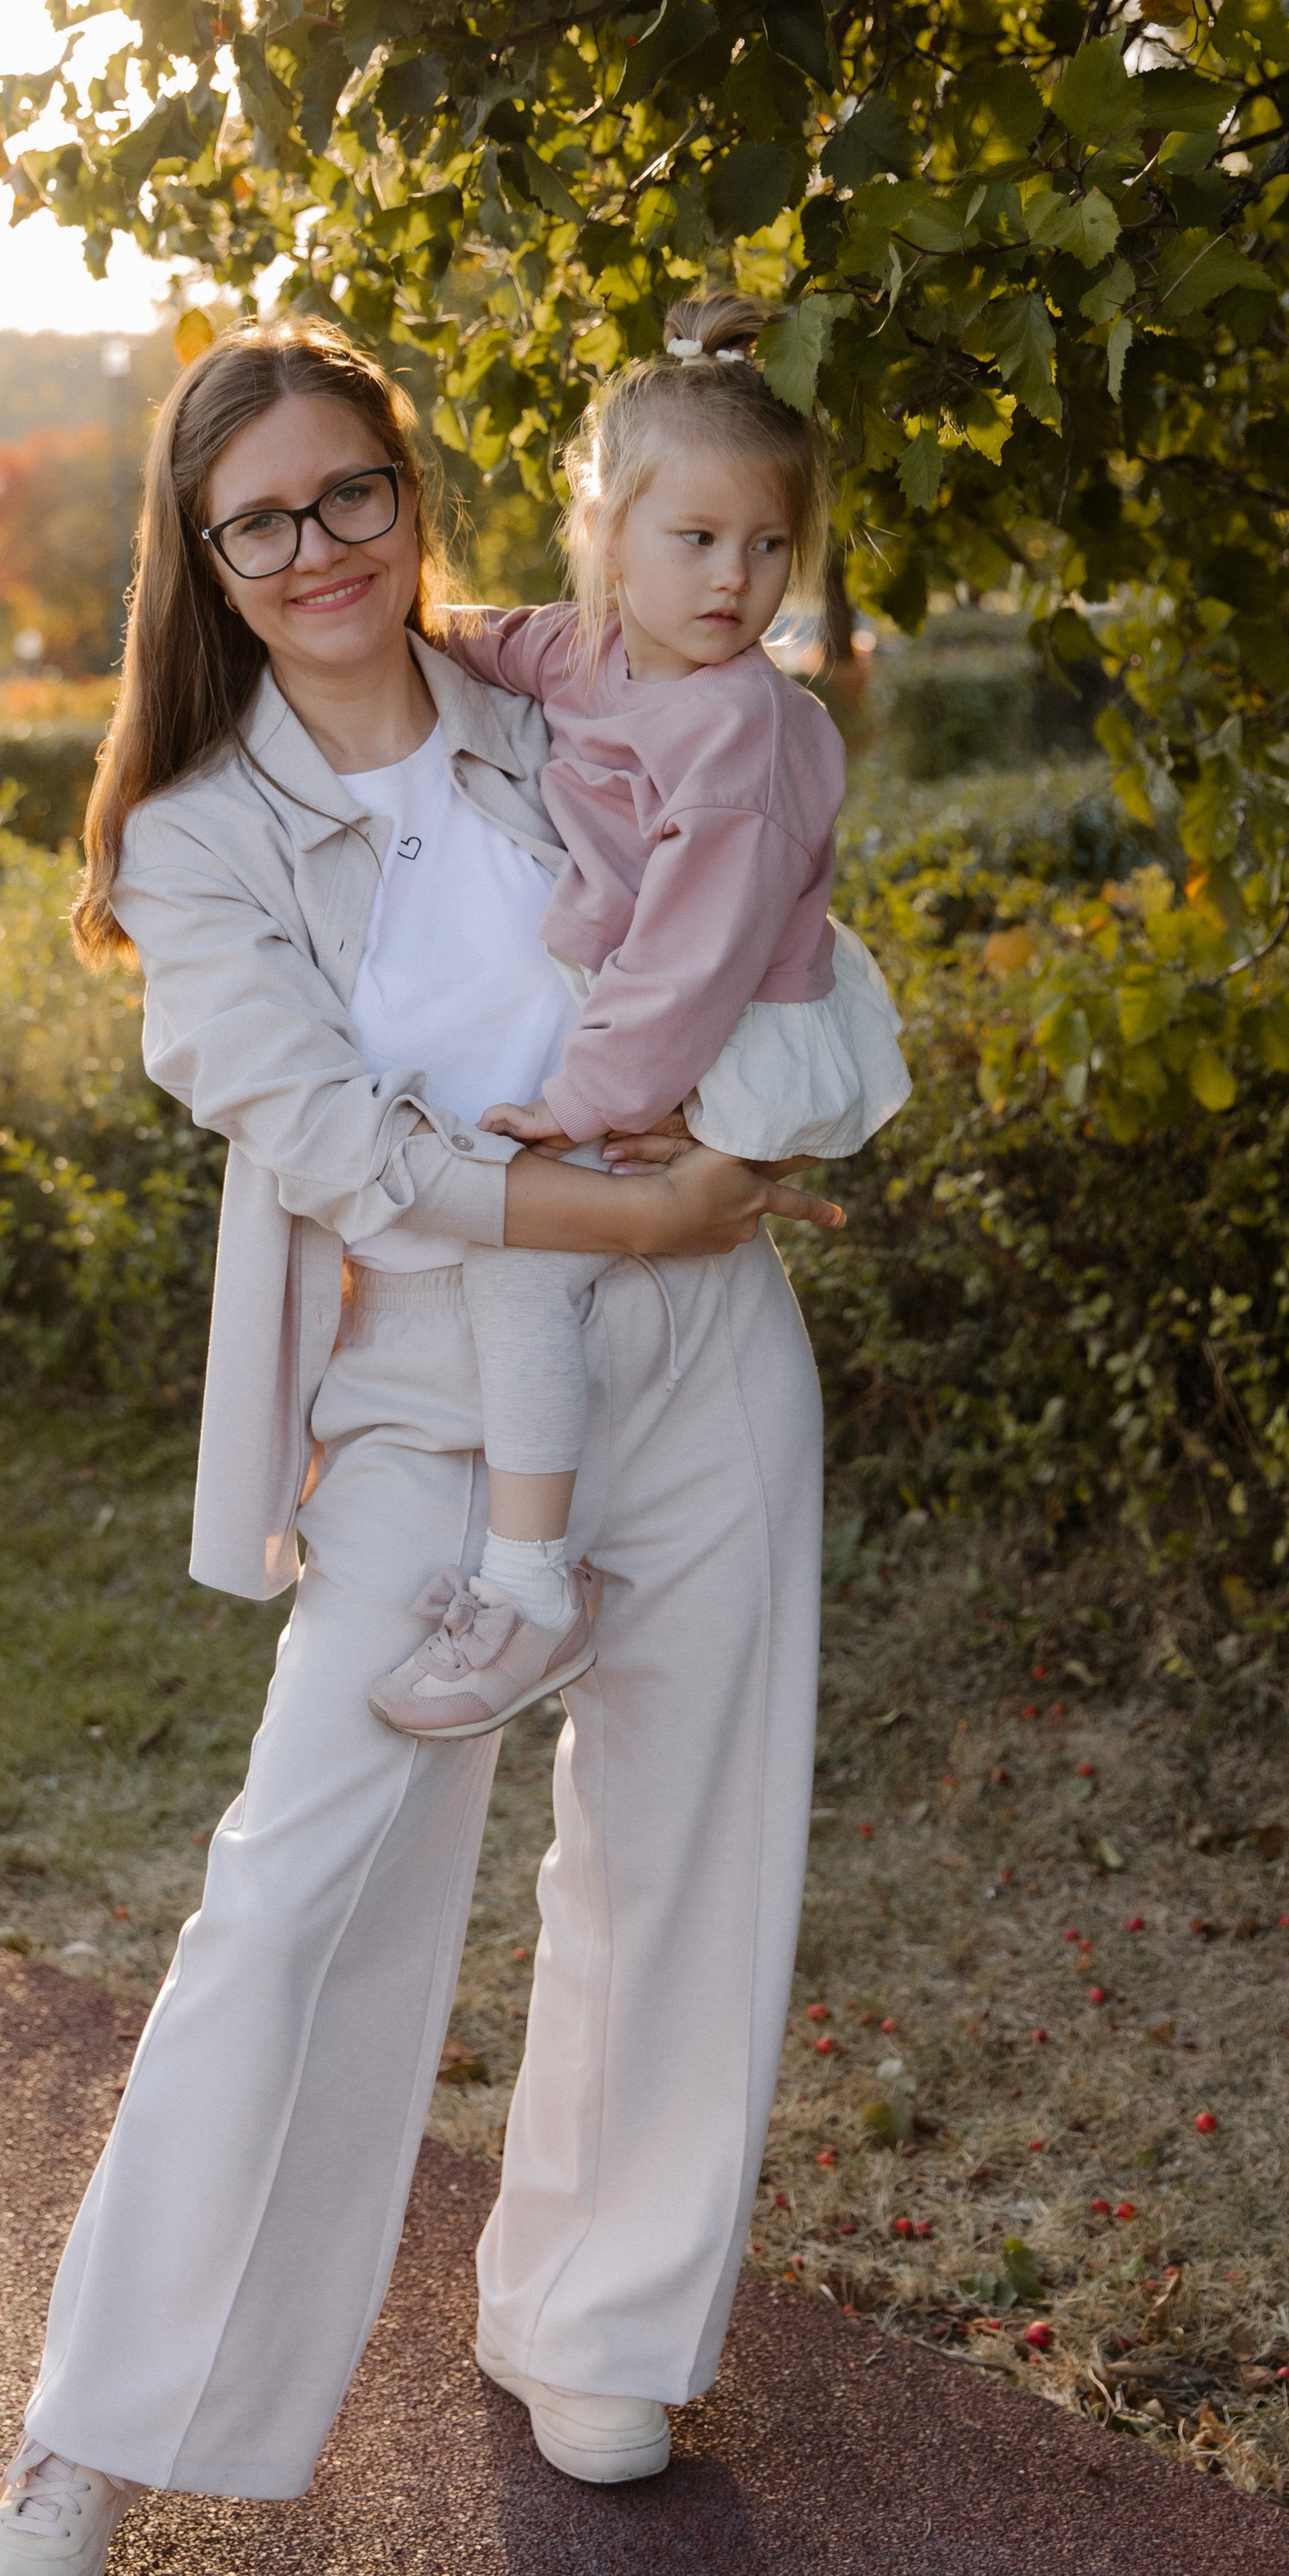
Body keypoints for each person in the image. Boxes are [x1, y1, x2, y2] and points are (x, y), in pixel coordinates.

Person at [0, 319, 842, 2576]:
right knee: (295, 1890)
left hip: (706, 1352)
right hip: (433, 1394)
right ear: (209, 560)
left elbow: (810, 945)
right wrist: (629, 1209)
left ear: (412, 497)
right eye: (267, 519)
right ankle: (96, 2430)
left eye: (354, 495)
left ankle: (601, 2328)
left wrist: (749, 1151)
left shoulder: (583, 695)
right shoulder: (194, 833)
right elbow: (338, 1144)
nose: (322, 546)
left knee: (691, 1842)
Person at [366, 294, 909, 1742]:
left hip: (733, 1023)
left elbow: (691, 956)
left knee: (526, 1263)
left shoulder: (735, 726)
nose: (736, 580)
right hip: (660, 1014)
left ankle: (534, 1587)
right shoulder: (595, 651)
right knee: (561, 1260)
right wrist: (396, 627)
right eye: (697, 539)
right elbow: (488, 642)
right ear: (605, 535)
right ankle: (564, 1530)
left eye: (769, 545)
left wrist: (585, 1109)